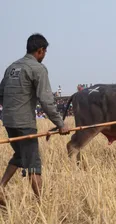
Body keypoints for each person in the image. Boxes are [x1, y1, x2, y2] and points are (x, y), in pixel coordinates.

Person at [0, 33, 69, 206]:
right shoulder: (38, 69)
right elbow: (46, 101)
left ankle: (1, 187)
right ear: (40, 51)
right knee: (33, 164)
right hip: (25, 124)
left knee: (20, 156)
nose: (44, 56)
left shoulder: (12, 68)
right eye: (44, 52)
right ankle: (41, 207)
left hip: (8, 121)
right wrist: (61, 124)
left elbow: (1, 94)